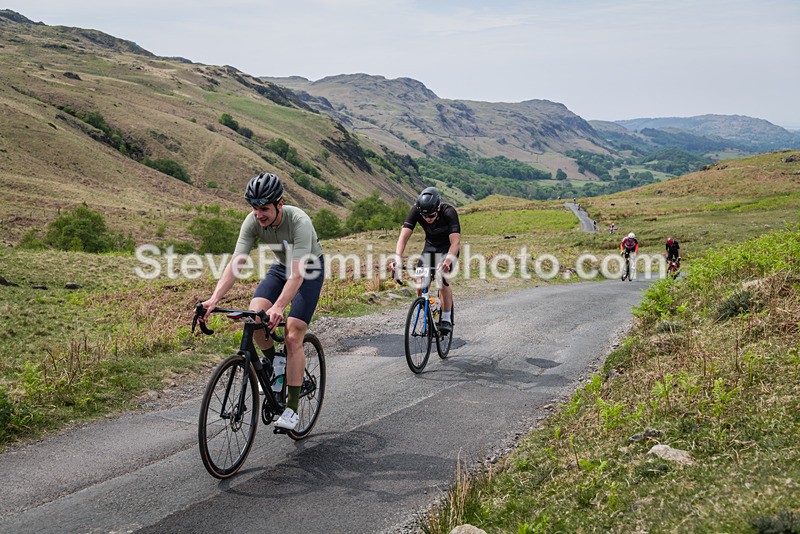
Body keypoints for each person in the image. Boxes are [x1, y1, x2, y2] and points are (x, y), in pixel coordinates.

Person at [200, 172, 324, 431]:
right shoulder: (252, 221)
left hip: (309, 269)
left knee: (292, 335)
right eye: (254, 208)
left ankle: (291, 409)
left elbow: (298, 274)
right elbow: (236, 263)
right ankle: (274, 366)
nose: (258, 215)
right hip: (281, 267)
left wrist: (279, 306)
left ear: (280, 204)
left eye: (264, 209)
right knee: (254, 317)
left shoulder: (299, 221)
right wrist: (214, 299)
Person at [391, 187, 461, 335]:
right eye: (424, 216)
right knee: (420, 284)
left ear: (438, 208)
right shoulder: (416, 210)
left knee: (441, 278)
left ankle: (446, 318)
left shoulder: (449, 212)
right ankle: (431, 311)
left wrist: (447, 262)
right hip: (430, 248)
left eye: (431, 215)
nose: (428, 219)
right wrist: (397, 259)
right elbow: (403, 237)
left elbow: (455, 243)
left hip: (448, 249)